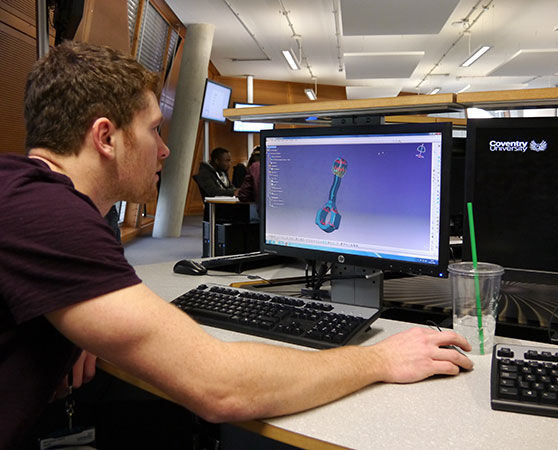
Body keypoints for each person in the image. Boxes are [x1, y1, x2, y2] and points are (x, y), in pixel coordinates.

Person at [0, 41, 473, 449]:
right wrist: (381, 359)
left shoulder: (23, 195)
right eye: (154, 129)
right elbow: (220, 387)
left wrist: (76, 327)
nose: (164, 149)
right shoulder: (50, 217)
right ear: (106, 137)